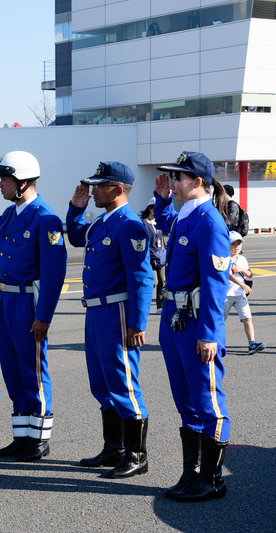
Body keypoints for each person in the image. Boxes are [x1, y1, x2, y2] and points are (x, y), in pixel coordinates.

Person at [0, 151, 67, 462]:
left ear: (23, 182)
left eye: (5, 179)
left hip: (28, 301)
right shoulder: (11, 216)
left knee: (33, 371)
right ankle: (22, 436)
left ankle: (38, 440)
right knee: (12, 370)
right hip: (7, 299)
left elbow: (54, 275)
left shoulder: (45, 217)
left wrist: (43, 316)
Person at [67, 162, 154, 478]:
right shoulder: (104, 222)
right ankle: (114, 448)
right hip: (96, 311)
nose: (93, 191)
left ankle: (136, 454)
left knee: (123, 382)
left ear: (118, 189)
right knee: (101, 382)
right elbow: (77, 236)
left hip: (117, 312)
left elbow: (142, 278)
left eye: (99, 186)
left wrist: (137, 323)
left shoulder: (129, 225)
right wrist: (75, 208)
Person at [153, 151, 231, 502]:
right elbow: (168, 221)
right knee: (185, 400)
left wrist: (209, 333)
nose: (172, 183)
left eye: (178, 178)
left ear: (197, 182)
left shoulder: (210, 222)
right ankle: (192, 473)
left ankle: (212, 480)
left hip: (198, 323)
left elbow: (216, 283)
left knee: (207, 400)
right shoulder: (187, 215)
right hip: (175, 320)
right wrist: (161, 199)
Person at [224, 231, 266, 355]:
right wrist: (242, 284)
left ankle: (252, 343)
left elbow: (250, 274)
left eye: (239, 244)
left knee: (247, 318)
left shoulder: (242, 259)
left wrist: (241, 269)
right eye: (233, 244)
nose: (236, 247)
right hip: (225, 294)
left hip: (240, 294)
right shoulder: (223, 258)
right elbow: (228, 275)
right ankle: (216, 343)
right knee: (220, 320)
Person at [141, 198, 166, 314]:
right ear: (150, 208)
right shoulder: (144, 223)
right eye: (153, 207)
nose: (155, 210)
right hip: (150, 257)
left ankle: (160, 306)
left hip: (161, 256)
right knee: (153, 282)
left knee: (163, 281)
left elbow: (162, 240)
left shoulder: (160, 222)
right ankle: (143, 304)